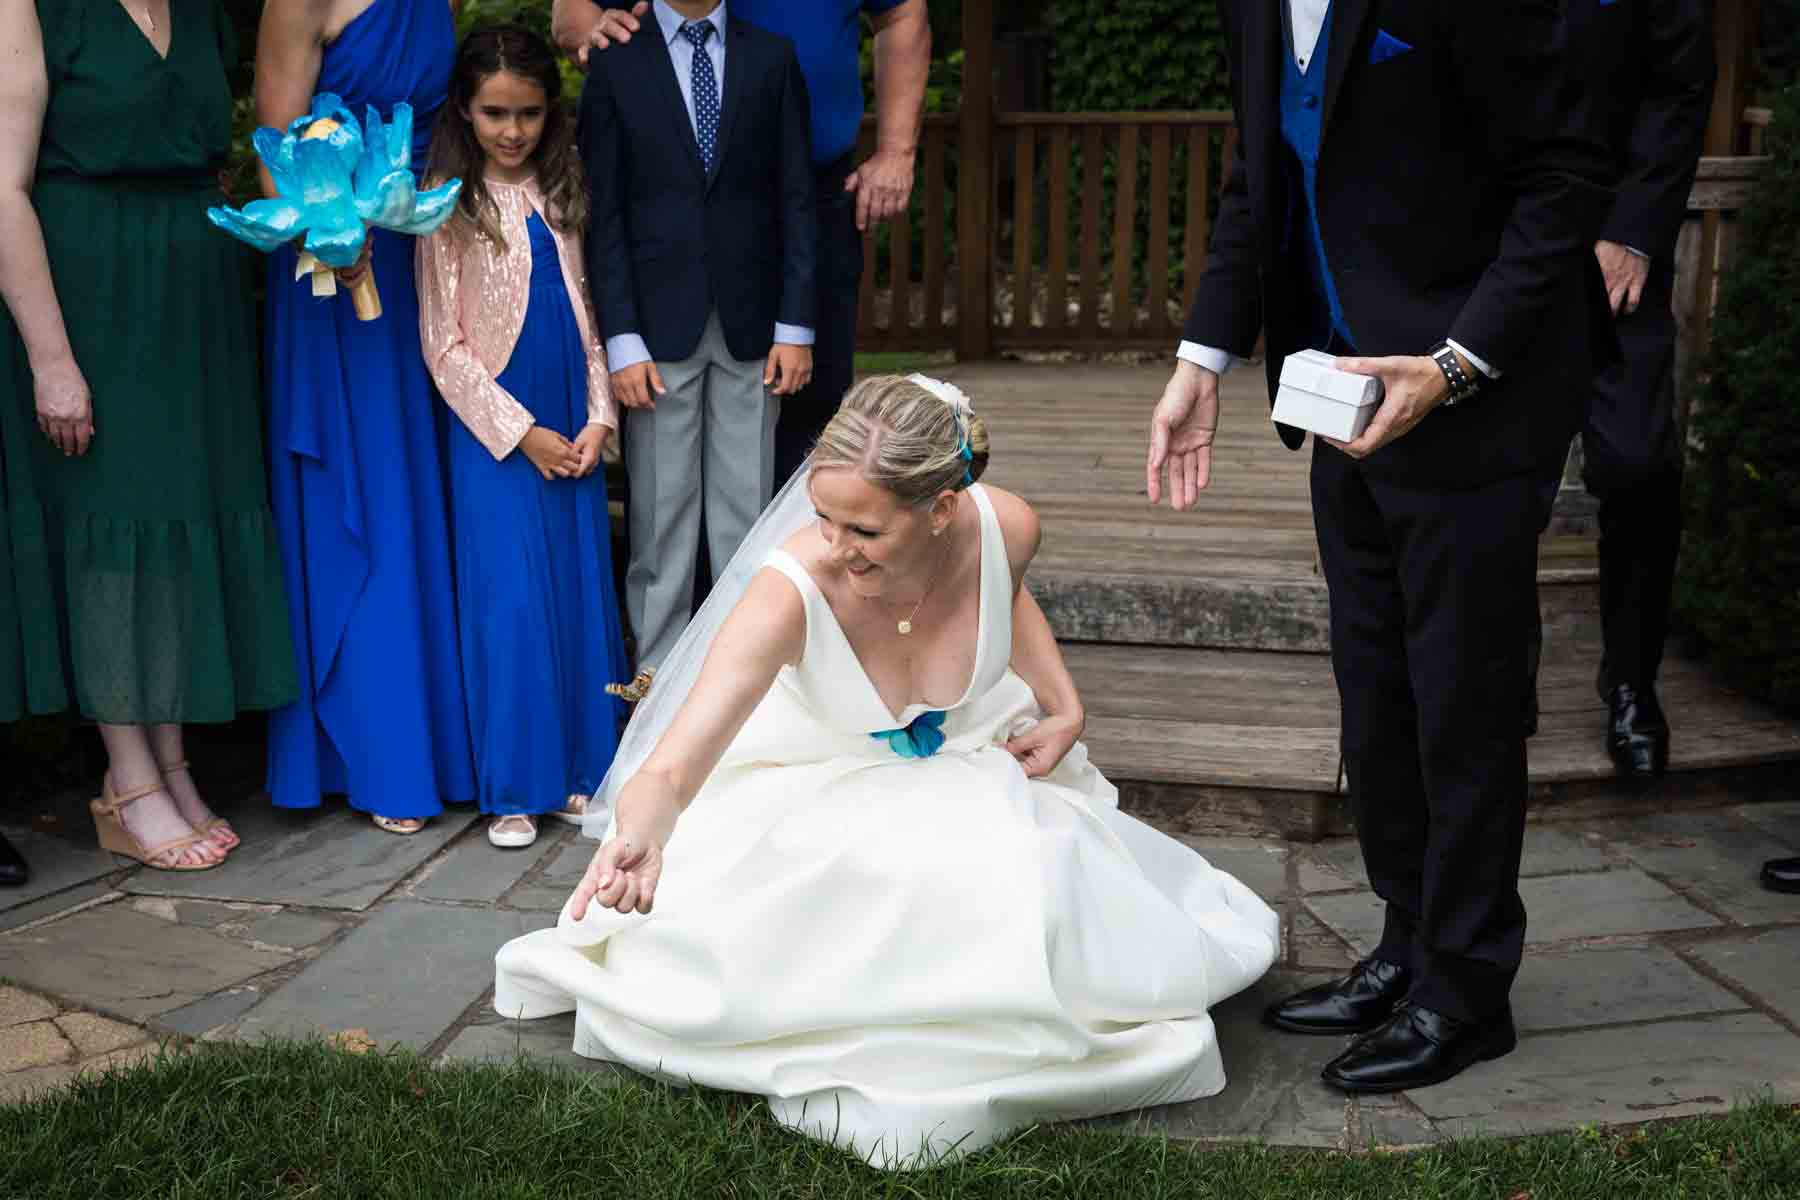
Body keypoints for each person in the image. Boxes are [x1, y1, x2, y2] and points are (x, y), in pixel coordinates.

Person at [494, 375, 1280, 1168]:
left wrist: (1064, 705)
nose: (836, 546)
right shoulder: (790, 591)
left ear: (941, 510)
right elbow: (678, 757)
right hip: (817, 772)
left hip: (972, 756)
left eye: (864, 529)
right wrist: (645, 832)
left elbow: (1007, 594)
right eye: (822, 517)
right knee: (877, 878)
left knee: (1044, 869)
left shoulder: (1004, 524)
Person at [1146, 1, 1614, 1093]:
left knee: (1466, 698)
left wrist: (1454, 364)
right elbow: (1255, 181)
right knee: (1379, 690)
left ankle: (1467, 989)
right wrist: (1202, 360)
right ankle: (1407, 947)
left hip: (1479, 398)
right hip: (1341, 399)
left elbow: (1566, 177)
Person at [1, 0, 299, 870]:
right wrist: (51, 360)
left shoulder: (204, 12)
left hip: (192, 299)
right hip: (91, 287)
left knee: (179, 531)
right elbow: (4, 188)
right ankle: (126, 783)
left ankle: (170, 762)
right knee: (115, 535)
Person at [550, 0, 931, 485]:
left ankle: (802, 548)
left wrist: (897, 150)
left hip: (809, 189)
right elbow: (571, 17)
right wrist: (612, 45)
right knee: (666, 409)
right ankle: (694, 562)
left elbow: (901, 14)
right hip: (672, 204)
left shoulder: (774, 61)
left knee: (810, 394)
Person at [256, 0, 475, 835]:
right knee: (369, 493)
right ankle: (378, 755)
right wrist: (342, 245)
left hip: (420, 249)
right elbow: (275, 155)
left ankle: (441, 748)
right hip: (331, 271)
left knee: (421, 497)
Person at [417, 26, 629, 850]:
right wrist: (523, 432)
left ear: (551, 113)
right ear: (466, 112)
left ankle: (582, 772)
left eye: (530, 114)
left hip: (568, 418)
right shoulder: (447, 204)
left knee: (580, 599)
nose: (513, 130)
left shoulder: (565, 189)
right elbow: (443, 344)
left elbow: (589, 320)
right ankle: (514, 785)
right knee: (509, 605)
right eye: (496, 113)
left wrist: (597, 417)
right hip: (497, 432)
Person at [579, 0, 817, 674]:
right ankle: (656, 678)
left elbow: (796, 199)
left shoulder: (771, 57)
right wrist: (621, 338)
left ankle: (746, 675)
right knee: (660, 520)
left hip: (754, 326)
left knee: (747, 515)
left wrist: (795, 325)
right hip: (655, 335)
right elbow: (605, 213)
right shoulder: (617, 62)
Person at [1544, 0, 1715, 776]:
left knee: (1640, 467)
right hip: (1487, 244)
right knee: (1492, 470)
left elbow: (1680, 84)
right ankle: (1498, 681)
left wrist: (1635, 231)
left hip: (1619, 244)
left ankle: (1631, 683)